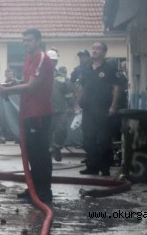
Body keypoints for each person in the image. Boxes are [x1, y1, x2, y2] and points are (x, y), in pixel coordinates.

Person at [0, 28, 55, 204]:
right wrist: (11, 84)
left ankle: (44, 193)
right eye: (24, 40)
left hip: (39, 114)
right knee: (31, 153)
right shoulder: (28, 59)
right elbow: (25, 83)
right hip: (28, 113)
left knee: (40, 154)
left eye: (29, 40)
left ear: (38, 41)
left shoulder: (41, 59)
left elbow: (32, 86)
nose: (25, 43)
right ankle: (33, 189)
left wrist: (7, 90)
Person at [77, 42, 120, 176]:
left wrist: (113, 105)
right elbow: (82, 86)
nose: (95, 51)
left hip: (104, 109)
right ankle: (92, 166)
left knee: (103, 140)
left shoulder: (110, 68)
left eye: (98, 49)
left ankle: (105, 167)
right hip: (88, 109)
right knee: (88, 139)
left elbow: (116, 87)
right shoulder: (86, 68)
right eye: (93, 48)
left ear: (104, 52)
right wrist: (78, 101)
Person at [47, 50, 74, 162]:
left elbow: (67, 92)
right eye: (50, 60)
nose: (52, 63)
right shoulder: (40, 75)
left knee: (62, 130)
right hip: (45, 110)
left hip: (60, 110)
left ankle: (56, 147)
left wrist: (72, 105)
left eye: (54, 61)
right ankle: (48, 152)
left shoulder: (61, 77)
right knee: (47, 132)